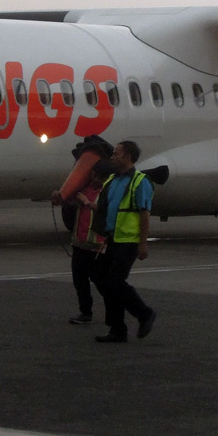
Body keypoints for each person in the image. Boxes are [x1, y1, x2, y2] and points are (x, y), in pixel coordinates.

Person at [89, 140, 157, 343]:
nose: (113, 157)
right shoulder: (111, 180)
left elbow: (144, 214)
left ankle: (143, 314)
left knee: (115, 282)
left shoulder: (139, 181)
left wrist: (143, 244)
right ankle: (118, 328)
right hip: (112, 239)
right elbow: (106, 208)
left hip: (128, 241)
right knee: (99, 276)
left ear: (128, 157)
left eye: (117, 154)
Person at [65, 161, 109, 324]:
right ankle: (85, 312)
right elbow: (69, 200)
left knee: (99, 280)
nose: (94, 178)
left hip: (98, 244)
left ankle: (113, 308)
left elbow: (107, 210)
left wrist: (87, 203)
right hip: (80, 242)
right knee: (79, 280)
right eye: (93, 174)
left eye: (98, 176)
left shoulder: (106, 191)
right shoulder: (84, 188)